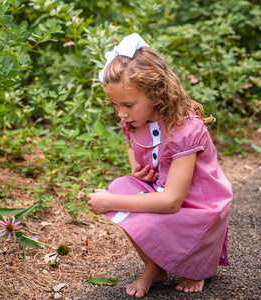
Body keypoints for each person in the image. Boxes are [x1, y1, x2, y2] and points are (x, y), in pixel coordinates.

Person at [86, 33, 232, 298]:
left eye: (127, 104)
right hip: (160, 189)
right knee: (120, 185)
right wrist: (135, 169)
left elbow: (172, 202)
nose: (120, 112)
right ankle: (154, 266)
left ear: (156, 93)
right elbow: (133, 146)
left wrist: (112, 202)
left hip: (197, 206)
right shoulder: (133, 120)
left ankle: (195, 264)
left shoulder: (185, 130)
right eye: (114, 105)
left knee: (119, 198)